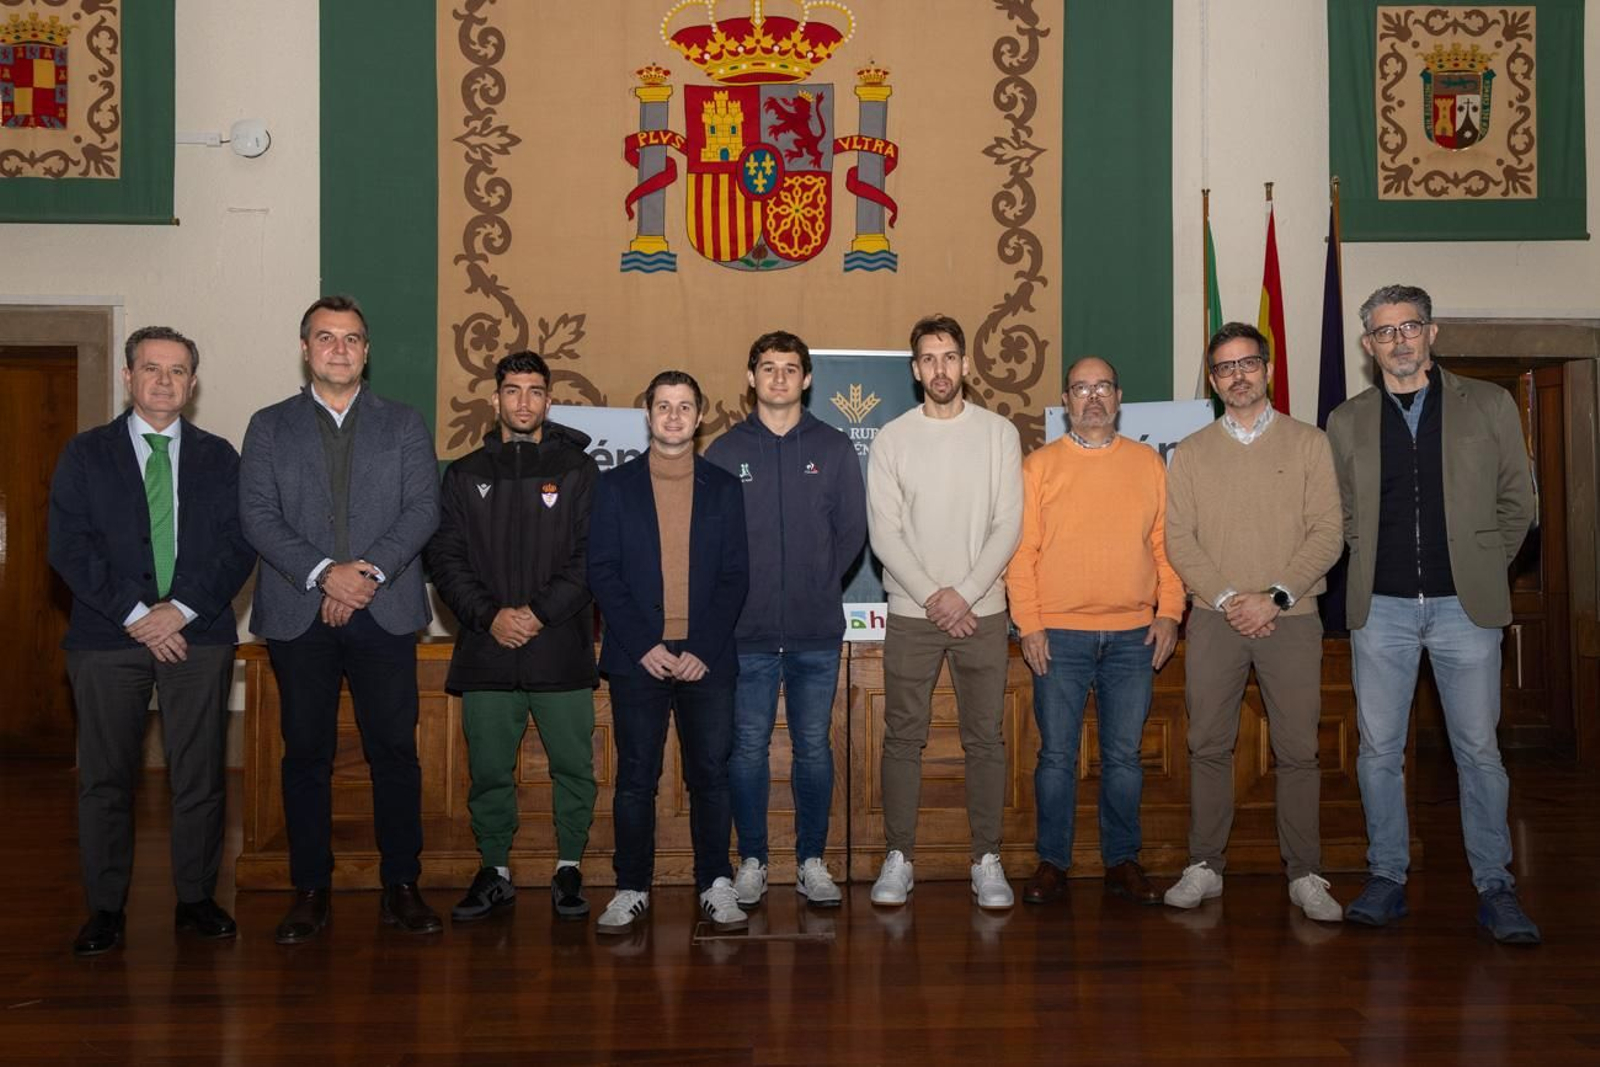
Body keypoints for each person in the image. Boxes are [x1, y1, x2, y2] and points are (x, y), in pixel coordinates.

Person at [1326, 284, 1540, 943]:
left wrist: (1482, 561)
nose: (1399, 340)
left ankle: (1495, 886)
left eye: (1409, 326)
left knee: (1478, 750)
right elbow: (1341, 517)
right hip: (1380, 609)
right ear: (1368, 345)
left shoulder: (1490, 404)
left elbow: (1520, 503)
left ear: (1432, 332)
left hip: (1465, 609)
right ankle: (1387, 876)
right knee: (1378, 752)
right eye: (1384, 331)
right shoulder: (1346, 420)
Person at [239, 295, 442, 943]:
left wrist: (363, 574)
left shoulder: (405, 423)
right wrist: (328, 572)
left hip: (385, 611)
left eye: (352, 339)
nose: (339, 349)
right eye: (326, 338)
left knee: (394, 752)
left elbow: (422, 510)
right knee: (306, 754)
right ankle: (310, 888)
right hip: (301, 612)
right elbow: (258, 517)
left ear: (367, 350)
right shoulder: (268, 426)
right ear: (305, 348)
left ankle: (401, 885)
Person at [48, 326, 256, 956]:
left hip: (200, 637)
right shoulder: (85, 455)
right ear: (128, 377)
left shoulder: (221, 456)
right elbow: (69, 548)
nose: (164, 380)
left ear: (192, 384)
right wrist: (140, 613)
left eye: (177, 370)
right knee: (106, 780)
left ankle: (196, 898)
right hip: (107, 639)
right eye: (151, 368)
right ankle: (106, 909)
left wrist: (182, 610)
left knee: (200, 777)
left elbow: (238, 543)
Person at [1163, 322, 1345, 921]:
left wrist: (1274, 597)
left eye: (1246, 364)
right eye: (1224, 368)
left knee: (1297, 750)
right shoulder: (1189, 453)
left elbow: (1328, 532)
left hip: (1292, 617)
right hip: (1216, 619)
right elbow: (1179, 541)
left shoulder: (1309, 442)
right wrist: (1229, 598)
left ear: (1266, 369)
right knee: (1207, 744)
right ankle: (1204, 867)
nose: (1237, 375)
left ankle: (1305, 874)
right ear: (1213, 381)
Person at [425, 350, 599, 922]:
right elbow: (444, 558)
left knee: (573, 768)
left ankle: (569, 869)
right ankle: (494, 871)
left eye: (535, 391)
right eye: (513, 390)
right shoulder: (464, 473)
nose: (523, 401)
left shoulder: (579, 470)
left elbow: (589, 557)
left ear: (549, 400)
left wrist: (538, 613)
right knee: (490, 773)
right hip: (487, 650)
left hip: (560, 651)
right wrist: (491, 615)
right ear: (495, 398)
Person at [1006, 356, 1181, 907]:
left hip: (1134, 636)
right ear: (1067, 402)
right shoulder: (1038, 467)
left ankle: (1121, 861)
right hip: (1058, 635)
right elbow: (1022, 553)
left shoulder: (1149, 465)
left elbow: (1166, 546)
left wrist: (1170, 612)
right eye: (1081, 389)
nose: (1093, 397)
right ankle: (1052, 863)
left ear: (1119, 396)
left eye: (1103, 386)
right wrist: (1029, 624)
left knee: (1125, 759)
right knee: (1055, 757)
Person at [866, 313, 1024, 910]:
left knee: (985, 739)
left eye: (950, 357)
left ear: (965, 363)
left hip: (982, 612)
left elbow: (1009, 523)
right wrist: (937, 596)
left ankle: (987, 859)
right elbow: (885, 534)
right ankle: (899, 856)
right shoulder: (892, 438)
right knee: (903, 737)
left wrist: (965, 593)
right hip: (912, 613)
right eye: (929, 359)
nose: (940, 368)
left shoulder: (999, 434)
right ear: (914, 370)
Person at [705, 331, 867, 909]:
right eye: (767, 368)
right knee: (746, 749)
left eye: (790, 368)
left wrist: (817, 577)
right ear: (750, 378)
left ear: (807, 379)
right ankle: (751, 860)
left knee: (813, 748)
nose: (778, 378)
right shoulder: (724, 451)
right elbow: (710, 540)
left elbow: (851, 532)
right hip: (742, 635)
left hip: (815, 633)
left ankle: (811, 862)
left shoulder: (836, 447)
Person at [587, 371, 750, 932]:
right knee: (636, 776)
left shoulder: (725, 488)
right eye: (664, 406)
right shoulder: (613, 487)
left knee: (711, 774)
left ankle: (715, 883)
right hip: (639, 658)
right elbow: (602, 573)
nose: (674, 416)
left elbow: (735, 576)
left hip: (707, 657)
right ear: (648, 415)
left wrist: (701, 647)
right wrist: (643, 646)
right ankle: (632, 885)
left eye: (685, 407)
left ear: (700, 415)